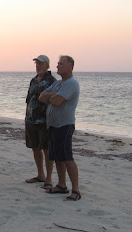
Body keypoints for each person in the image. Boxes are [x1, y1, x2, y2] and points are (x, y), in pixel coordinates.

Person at [39, 55, 81, 201]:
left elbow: (57, 101)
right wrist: (52, 94)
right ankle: (62, 185)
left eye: (61, 64)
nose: (57, 66)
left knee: (67, 157)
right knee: (57, 157)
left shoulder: (71, 83)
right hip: (53, 125)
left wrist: (51, 96)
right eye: (57, 64)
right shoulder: (57, 84)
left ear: (70, 66)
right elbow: (41, 97)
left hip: (65, 125)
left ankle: (75, 190)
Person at [25, 55, 56, 189]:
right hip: (31, 120)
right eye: (36, 64)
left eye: (41, 64)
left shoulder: (52, 81)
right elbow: (28, 99)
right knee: (35, 148)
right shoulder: (33, 80)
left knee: (47, 149)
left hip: (44, 121)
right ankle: (40, 174)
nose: (38, 66)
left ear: (48, 66)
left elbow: (55, 101)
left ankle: (48, 178)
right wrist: (26, 116)